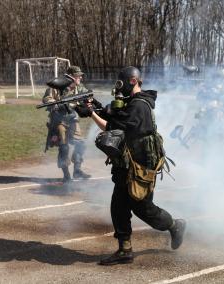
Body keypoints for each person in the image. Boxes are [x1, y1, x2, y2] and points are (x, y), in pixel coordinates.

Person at [76, 66, 186, 265]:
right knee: (119, 205)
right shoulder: (132, 102)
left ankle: (174, 225)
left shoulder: (139, 105)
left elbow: (114, 127)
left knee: (143, 208)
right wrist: (97, 107)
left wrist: (92, 113)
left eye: (122, 83)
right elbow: (117, 115)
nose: (120, 88)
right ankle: (124, 250)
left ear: (133, 81)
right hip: (127, 163)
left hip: (140, 165)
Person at [42, 65, 91, 182]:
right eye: (78, 76)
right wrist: (55, 103)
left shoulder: (79, 87)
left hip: (73, 119)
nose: (80, 78)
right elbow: (46, 99)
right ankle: (66, 175)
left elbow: (88, 94)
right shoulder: (56, 86)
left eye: (80, 76)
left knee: (81, 144)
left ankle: (77, 170)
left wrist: (88, 99)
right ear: (71, 77)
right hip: (59, 120)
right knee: (64, 147)